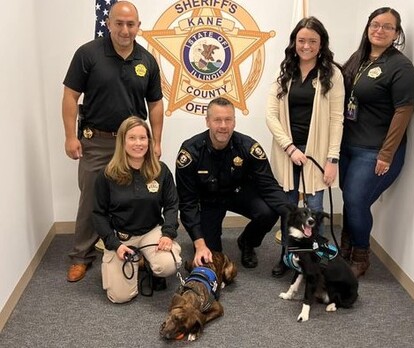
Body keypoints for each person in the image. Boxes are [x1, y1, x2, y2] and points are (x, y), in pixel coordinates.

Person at [62, 1, 164, 282]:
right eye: (119, 23)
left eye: (131, 24)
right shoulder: (88, 54)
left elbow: (155, 104)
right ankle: (81, 256)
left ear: (138, 27)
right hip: (97, 142)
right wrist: (71, 136)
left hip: (134, 144)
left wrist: (155, 141)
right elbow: (70, 96)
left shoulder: (146, 60)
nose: (125, 30)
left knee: (137, 198)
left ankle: (139, 250)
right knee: (91, 199)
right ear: (108, 24)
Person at [340, 7, 414, 277]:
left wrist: (386, 154)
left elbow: (403, 111)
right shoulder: (359, 57)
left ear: (396, 33)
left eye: (387, 26)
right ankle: (345, 249)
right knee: (351, 201)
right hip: (348, 145)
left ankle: (361, 255)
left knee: (355, 200)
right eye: (375, 24)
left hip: (375, 150)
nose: (379, 30)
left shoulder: (400, 67)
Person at [266, 17, 344, 277]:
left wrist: (332, 159)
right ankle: (287, 257)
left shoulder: (332, 74)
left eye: (312, 41)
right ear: (294, 43)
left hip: (318, 156)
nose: (306, 45)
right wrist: (290, 148)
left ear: (321, 44)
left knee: (315, 211)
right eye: (301, 40)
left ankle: (313, 262)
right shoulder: (285, 72)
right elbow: (271, 115)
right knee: (288, 211)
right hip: (287, 153)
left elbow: (336, 119)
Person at [175, 97, 288, 269]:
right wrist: (199, 243)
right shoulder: (191, 152)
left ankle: (247, 242)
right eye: (217, 120)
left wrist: (293, 213)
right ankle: (206, 240)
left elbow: (269, 186)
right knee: (213, 257)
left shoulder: (248, 147)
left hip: (238, 194)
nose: (223, 125)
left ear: (234, 122)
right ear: (207, 122)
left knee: (268, 211)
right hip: (209, 202)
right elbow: (187, 203)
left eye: (228, 119)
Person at [92, 116, 181, 303]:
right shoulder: (107, 174)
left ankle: (149, 263)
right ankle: (138, 261)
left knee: (168, 265)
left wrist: (168, 234)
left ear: (149, 141)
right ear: (122, 142)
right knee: (119, 297)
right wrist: (114, 244)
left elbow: (172, 205)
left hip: (151, 232)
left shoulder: (161, 170)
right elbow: (98, 214)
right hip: (121, 237)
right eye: (132, 138)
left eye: (143, 138)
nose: (138, 143)